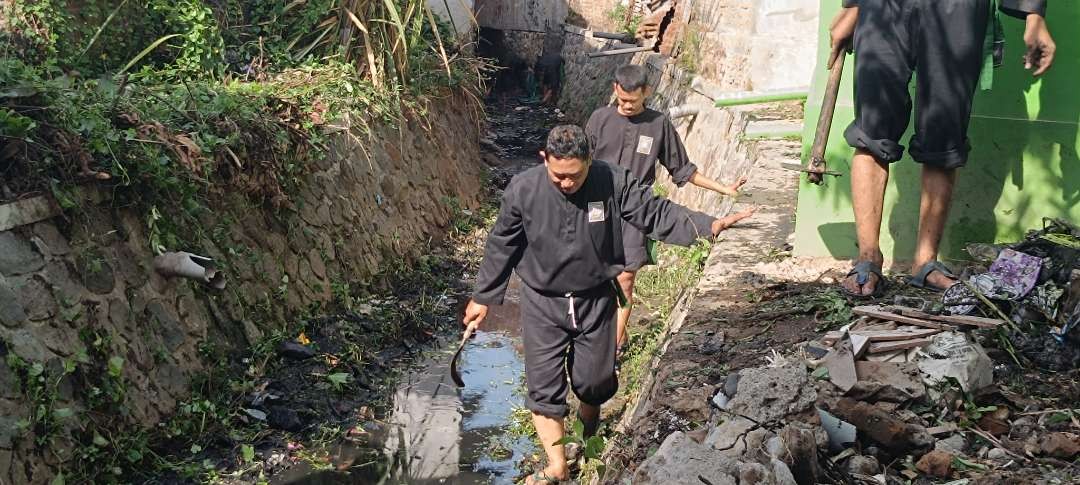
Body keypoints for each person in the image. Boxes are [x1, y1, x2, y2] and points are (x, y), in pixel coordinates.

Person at [461, 125, 753, 484]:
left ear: (589, 161)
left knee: (595, 381)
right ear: (544, 160)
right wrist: (482, 298)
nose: (567, 184)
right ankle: (557, 466)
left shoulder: (612, 181)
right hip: (542, 301)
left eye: (575, 175)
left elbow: (654, 212)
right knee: (543, 387)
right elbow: (501, 243)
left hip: (596, 296)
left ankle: (586, 436)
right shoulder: (524, 189)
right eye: (558, 176)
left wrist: (707, 225)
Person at [829, 0, 1055, 296]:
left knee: (945, 136)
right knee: (872, 130)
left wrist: (1033, 15)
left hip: (958, 10)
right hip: (883, 8)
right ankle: (867, 259)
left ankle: (925, 263)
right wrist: (854, 6)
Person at [585, 64, 749, 354]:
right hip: (598, 206)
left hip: (638, 211)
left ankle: (612, 350)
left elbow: (683, 169)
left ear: (645, 93)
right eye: (621, 100)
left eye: (632, 102)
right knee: (594, 276)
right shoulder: (599, 120)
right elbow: (578, 165)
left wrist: (724, 188)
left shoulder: (658, 124)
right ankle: (590, 339)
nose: (625, 106)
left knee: (625, 279)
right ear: (615, 90)